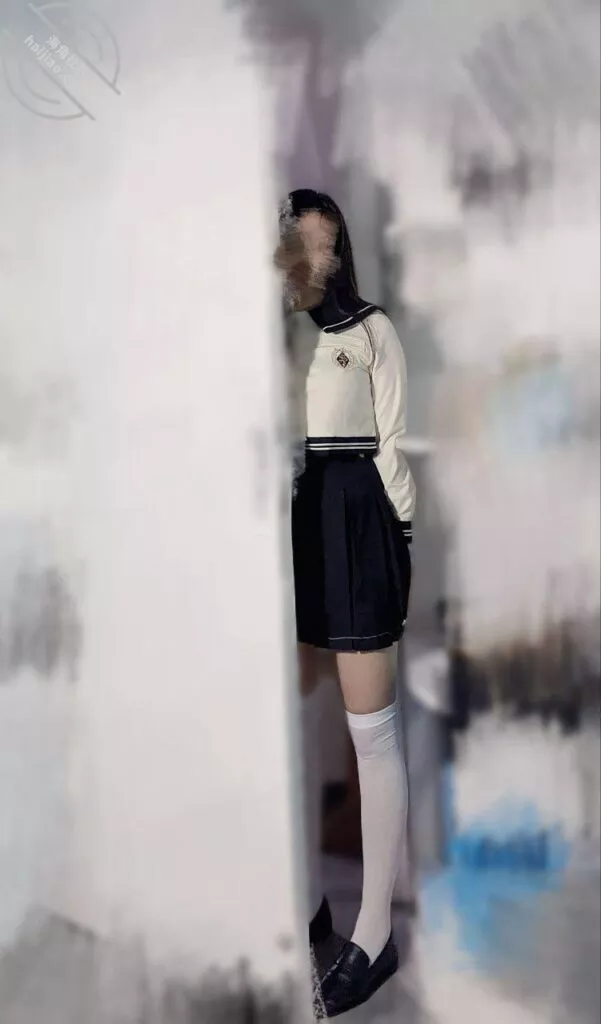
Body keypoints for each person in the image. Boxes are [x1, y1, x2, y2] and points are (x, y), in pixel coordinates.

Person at [275, 189, 416, 1017]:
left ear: (339, 253)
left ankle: (373, 934)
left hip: (358, 518)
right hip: (292, 526)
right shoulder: (272, 338)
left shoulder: (370, 331)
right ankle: (307, 904)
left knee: (371, 731)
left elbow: (391, 444)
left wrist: (400, 543)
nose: (307, 261)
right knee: (291, 722)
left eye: (318, 245)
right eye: (293, 245)